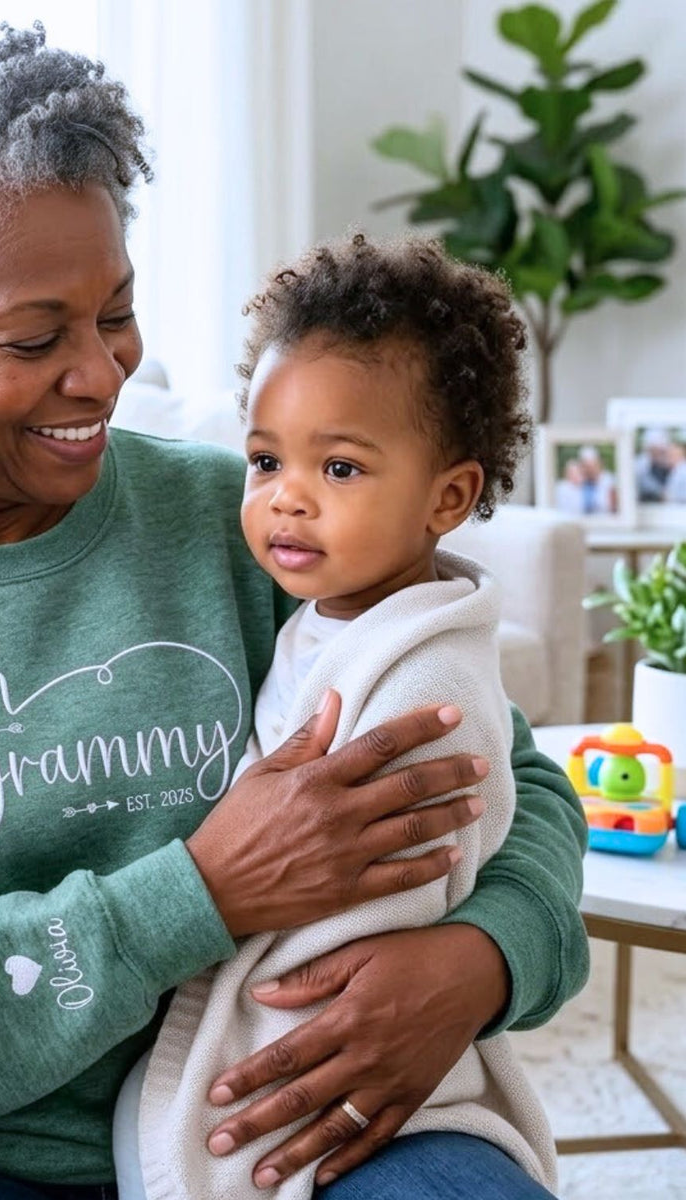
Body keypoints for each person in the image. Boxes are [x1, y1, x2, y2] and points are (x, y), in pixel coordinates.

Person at [0, 17, 588, 1200]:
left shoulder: (248, 526)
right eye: (36, 337)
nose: (101, 372)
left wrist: (483, 960)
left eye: (116, 313)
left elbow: (511, 780)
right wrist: (195, 896)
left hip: (283, 1135)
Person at [114, 237, 556, 1199]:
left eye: (342, 468)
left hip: (331, 1054)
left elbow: (385, 890)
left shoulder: (420, 675)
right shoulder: (330, 614)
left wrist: (483, 956)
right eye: (265, 459)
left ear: (449, 496)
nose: (287, 498)